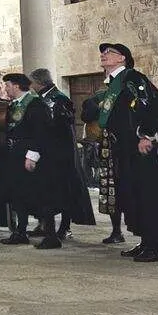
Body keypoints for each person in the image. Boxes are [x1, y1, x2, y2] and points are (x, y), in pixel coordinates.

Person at [82, 42, 158, 263]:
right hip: (121, 147)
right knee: (133, 195)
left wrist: (146, 135)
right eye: (103, 53)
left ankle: (156, 245)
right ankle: (145, 240)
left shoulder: (133, 78)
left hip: (137, 145)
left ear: (123, 58)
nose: (104, 55)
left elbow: (151, 105)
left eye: (110, 53)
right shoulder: (113, 84)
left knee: (147, 195)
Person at [29, 68, 94, 240]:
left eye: (33, 82)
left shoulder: (59, 99)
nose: (31, 86)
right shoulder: (42, 98)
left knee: (65, 190)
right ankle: (48, 227)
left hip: (60, 153)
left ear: (39, 82)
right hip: (48, 152)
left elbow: (63, 125)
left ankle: (64, 227)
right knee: (50, 192)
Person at [0, 73, 56, 248]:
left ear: (16, 86)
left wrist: (32, 155)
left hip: (30, 155)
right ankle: (20, 232)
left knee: (41, 195)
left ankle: (51, 235)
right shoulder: (14, 105)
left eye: (7, 85)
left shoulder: (35, 104)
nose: (5, 89)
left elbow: (41, 132)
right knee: (18, 195)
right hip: (15, 155)